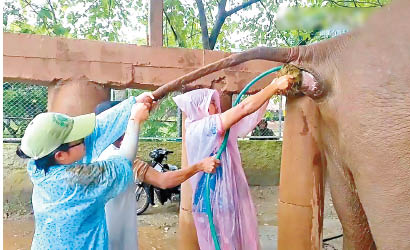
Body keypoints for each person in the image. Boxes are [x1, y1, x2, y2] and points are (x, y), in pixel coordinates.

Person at [16, 92, 154, 250]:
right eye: (79, 138)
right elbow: (124, 161)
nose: (85, 137)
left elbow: (98, 128)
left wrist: (134, 103)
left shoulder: (38, 164)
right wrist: (134, 121)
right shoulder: (77, 182)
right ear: (60, 155)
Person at [173, 75, 294, 250]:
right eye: (211, 104)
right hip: (212, 197)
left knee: (232, 239)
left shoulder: (214, 127)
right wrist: (273, 86)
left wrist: (268, 95)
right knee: (220, 242)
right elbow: (244, 108)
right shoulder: (202, 128)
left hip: (225, 195)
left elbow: (247, 116)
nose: (216, 107)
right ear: (200, 108)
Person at [94, 100, 220, 250]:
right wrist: (199, 166)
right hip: (115, 240)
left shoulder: (90, 153)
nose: (125, 132)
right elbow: (163, 180)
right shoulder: (118, 159)